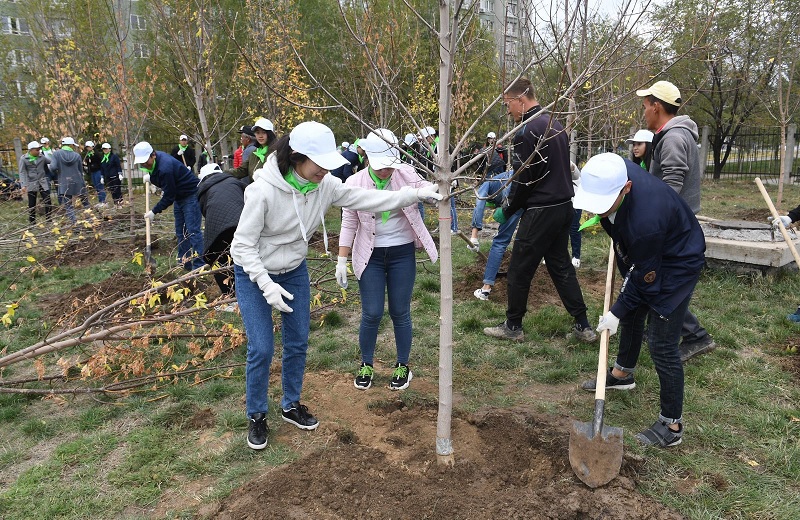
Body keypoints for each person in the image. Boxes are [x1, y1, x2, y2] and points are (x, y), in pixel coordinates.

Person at [230, 121, 441, 450]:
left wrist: (414, 193)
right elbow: (241, 247)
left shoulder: (324, 185)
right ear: (298, 157)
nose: (326, 170)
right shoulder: (263, 191)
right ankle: (257, 414)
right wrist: (265, 284)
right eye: (321, 164)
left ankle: (290, 405)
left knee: (298, 342)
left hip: (294, 271)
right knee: (262, 348)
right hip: (254, 273)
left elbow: (365, 198)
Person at [574, 152, 706, 447]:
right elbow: (630, 255)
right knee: (632, 311)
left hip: (677, 263)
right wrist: (625, 299)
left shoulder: (646, 221)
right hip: (651, 254)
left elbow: (647, 274)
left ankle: (671, 426)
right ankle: (622, 374)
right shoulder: (612, 169)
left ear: (627, 188)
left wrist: (617, 309)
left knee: (661, 343)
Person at [483, 77, 596, 343]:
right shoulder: (555, 125)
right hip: (563, 207)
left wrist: (508, 209)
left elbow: (525, 180)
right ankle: (583, 325)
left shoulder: (528, 130)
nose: (508, 111)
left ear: (520, 101)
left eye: (508, 104)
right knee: (561, 266)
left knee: (519, 269)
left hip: (542, 210)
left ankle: (513, 326)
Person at [337, 129, 438, 391]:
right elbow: (348, 222)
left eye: (390, 166)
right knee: (371, 313)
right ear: (367, 157)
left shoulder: (407, 174)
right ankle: (366, 363)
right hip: (370, 255)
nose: (385, 172)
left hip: (401, 253)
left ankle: (402, 365)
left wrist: (433, 190)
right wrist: (341, 259)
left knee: (400, 311)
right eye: (381, 167)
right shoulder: (355, 183)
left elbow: (426, 187)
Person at [637, 80, 715, 362]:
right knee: (653, 277)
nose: (644, 112)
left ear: (657, 107)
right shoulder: (673, 134)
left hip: (673, 224)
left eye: (645, 106)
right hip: (677, 219)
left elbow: (672, 183)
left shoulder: (672, 138)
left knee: (661, 279)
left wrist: (653, 221)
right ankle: (655, 326)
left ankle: (696, 335)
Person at [134, 141, 205, 271]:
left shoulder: (165, 168)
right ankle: (184, 263)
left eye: (145, 161)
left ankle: (200, 264)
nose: (144, 164)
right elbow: (161, 178)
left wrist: (154, 211)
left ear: (153, 155)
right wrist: (151, 177)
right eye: (141, 162)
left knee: (193, 231)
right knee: (181, 232)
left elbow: (169, 196)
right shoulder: (156, 162)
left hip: (191, 195)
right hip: (179, 196)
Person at [197, 162, 248, 311]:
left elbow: (205, 212)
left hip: (218, 230)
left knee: (218, 260)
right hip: (243, 224)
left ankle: (231, 298)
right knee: (247, 257)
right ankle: (254, 293)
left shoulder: (203, 191)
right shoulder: (235, 182)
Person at [469, 171, 523, 301]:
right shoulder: (503, 176)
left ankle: (485, 290)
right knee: (525, 239)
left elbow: (479, 204)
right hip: (532, 194)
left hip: (513, 196)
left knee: (500, 242)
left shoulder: (486, 184)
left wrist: (474, 237)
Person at [50, 137, 90, 224]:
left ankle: (74, 222)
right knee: (85, 202)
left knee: (68, 205)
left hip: (64, 182)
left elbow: (53, 167)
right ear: (71, 145)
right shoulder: (77, 155)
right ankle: (90, 220)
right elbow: (80, 170)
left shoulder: (56, 154)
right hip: (78, 181)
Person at [18, 140, 53, 224]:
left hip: (42, 181)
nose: (38, 151)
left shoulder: (42, 157)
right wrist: (23, 185)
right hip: (32, 182)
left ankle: (49, 219)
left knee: (47, 200)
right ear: (31, 150)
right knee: (32, 203)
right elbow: (22, 172)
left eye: (39, 149)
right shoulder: (24, 159)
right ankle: (32, 221)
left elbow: (51, 161)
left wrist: (50, 152)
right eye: (37, 150)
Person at [83, 141, 105, 206]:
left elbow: (100, 162)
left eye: (89, 147)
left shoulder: (96, 154)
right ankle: (100, 200)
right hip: (93, 172)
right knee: (96, 186)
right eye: (87, 147)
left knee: (100, 186)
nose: (88, 148)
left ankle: (103, 201)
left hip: (98, 171)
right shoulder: (88, 154)